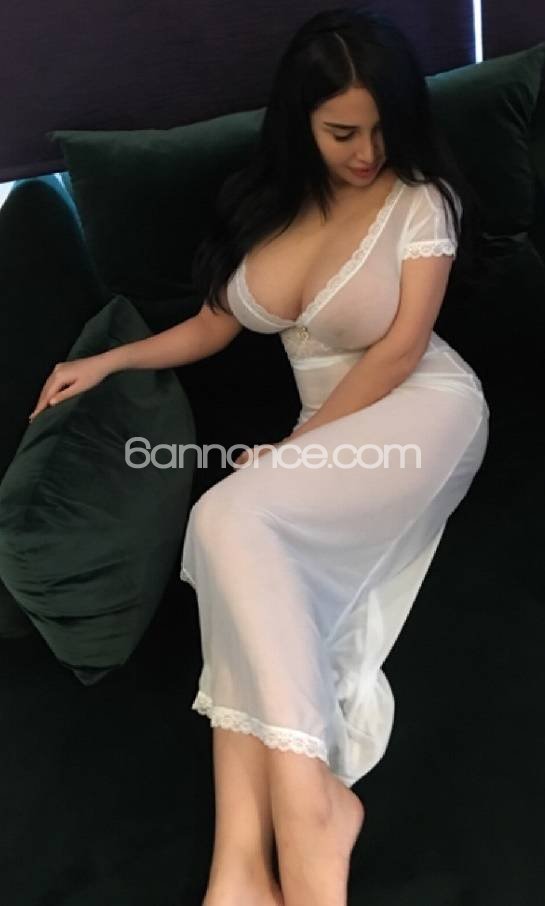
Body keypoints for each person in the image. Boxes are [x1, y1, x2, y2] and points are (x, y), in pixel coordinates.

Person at [29, 7, 489, 906]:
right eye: (342, 132)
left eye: (381, 128)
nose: (366, 152)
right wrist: (110, 360)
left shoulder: (419, 199)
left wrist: (290, 451)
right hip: (324, 437)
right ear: (300, 121)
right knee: (234, 545)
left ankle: (302, 817)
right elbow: (212, 327)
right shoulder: (266, 209)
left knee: (226, 516)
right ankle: (239, 863)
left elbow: (397, 353)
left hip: (421, 411)